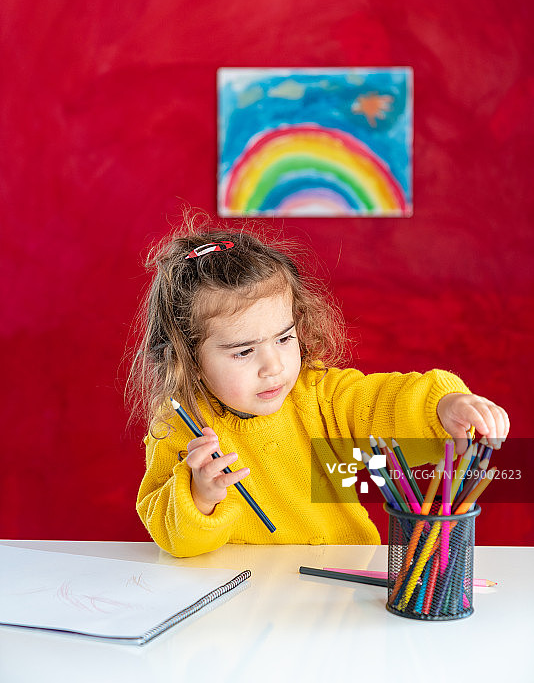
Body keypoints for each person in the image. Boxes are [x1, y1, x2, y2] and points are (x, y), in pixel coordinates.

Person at [128, 217, 509, 558]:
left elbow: (380, 402)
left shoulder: (319, 397)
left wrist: (441, 406)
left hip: (341, 591)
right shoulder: (180, 427)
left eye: (283, 339)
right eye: (244, 351)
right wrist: (200, 496)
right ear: (187, 358)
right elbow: (171, 535)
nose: (274, 366)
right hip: (241, 605)